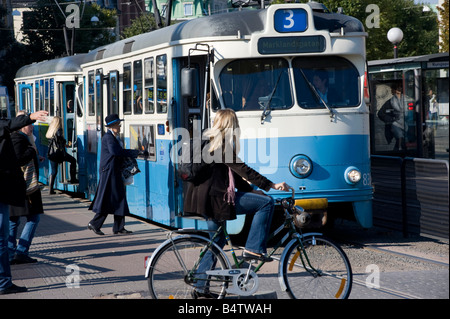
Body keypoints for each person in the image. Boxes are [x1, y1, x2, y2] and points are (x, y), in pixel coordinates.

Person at [183, 108, 291, 297]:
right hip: (216, 200)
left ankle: (200, 286)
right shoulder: (220, 145)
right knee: (265, 203)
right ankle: (253, 249)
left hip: (207, 200)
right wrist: (271, 185)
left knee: (215, 241)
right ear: (231, 126)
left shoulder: (210, 141)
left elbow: (232, 173)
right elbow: (244, 170)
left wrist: (251, 190)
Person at [0, 110, 47, 295]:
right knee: (2, 239)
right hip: (6, 191)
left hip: (7, 192)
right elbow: (8, 124)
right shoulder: (14, 135)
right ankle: (4, 282)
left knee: (7, 231)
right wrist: (30, 117)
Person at [88, 114, 140, 235]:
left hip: (114, 171)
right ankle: (96, 223)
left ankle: (118, 227)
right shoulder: (108, 138)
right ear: (112, 126)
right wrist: (134, 152)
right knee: (110, 197)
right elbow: (115, 152)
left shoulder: (114, 137)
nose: (120, 126)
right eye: (118, 124)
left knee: (119, 197)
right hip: (109, 172)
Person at [9, 111, 44, 264]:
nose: (32, 127)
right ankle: (20, 252)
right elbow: (19, 159)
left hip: (20, 187)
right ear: (22, 125)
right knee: (32, 217)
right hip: (25, 187)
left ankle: (11, 252)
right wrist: (32, 151)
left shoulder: (22, 137)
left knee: (14, 219)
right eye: (30, 124)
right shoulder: (18, 138)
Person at [45, 116, 78, 194]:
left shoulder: (50, 130)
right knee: (73, 160)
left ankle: (51, 189)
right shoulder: (59, 129)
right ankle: (73, 179)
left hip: (51, 153)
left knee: (53, 171)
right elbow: (60, 139)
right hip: (59, 153)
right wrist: (65, 142)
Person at [377, 83, 407, 151]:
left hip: (405, 124)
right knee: (400, 137)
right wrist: (392, 119)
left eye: (392, 89)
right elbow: (381, 114)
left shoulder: (405, 99)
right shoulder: (390, 102)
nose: (391, 91)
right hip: (396, 124)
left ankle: (398, 151)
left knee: (401, 140)